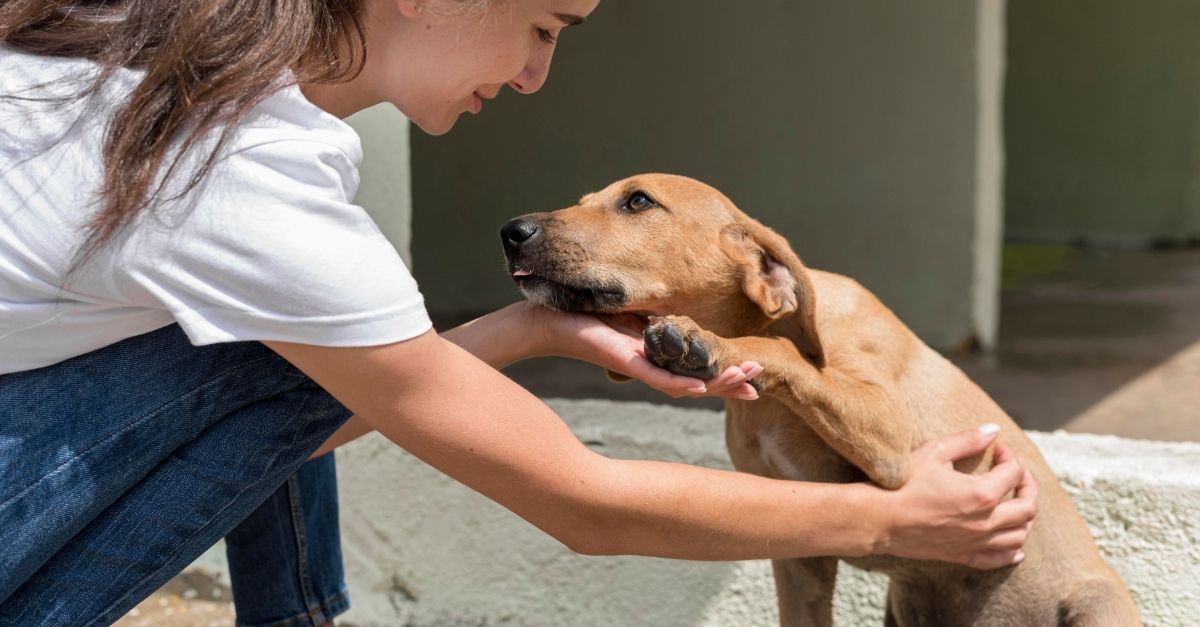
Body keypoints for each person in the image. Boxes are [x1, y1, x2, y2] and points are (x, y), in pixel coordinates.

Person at [0, 0, 1037, 625]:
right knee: (280, 349)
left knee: (302, 346)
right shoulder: (240, 176)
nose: (538, 77)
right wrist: (895, 518)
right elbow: (580, 501)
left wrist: (536, 327)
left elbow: (344, 396)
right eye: (543, 28)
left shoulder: (148, 59)